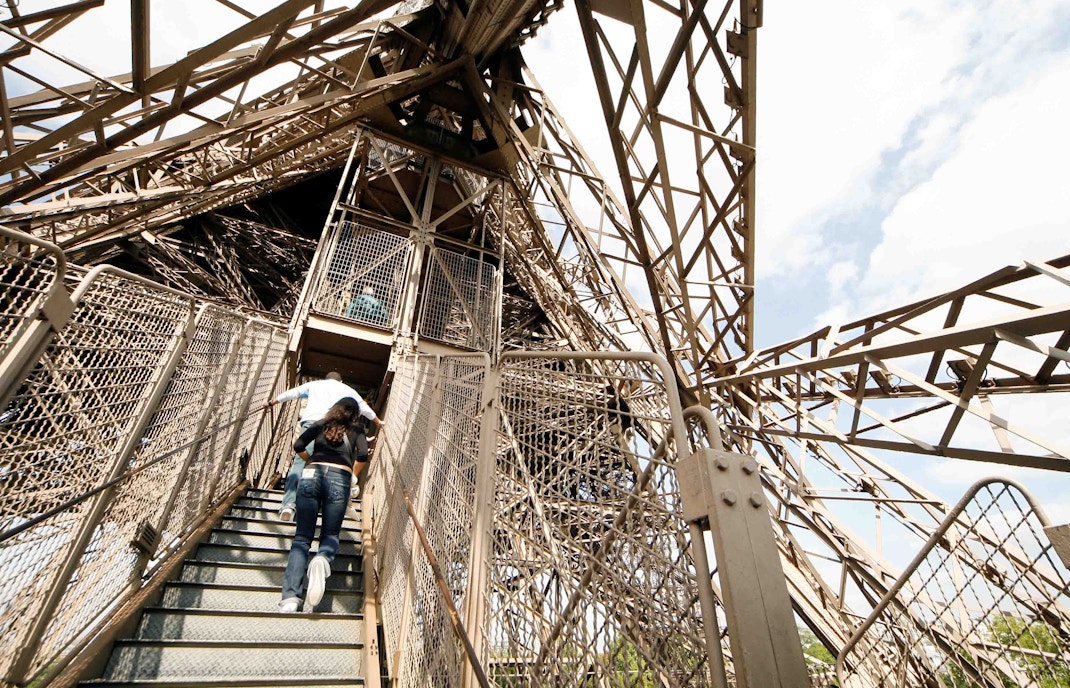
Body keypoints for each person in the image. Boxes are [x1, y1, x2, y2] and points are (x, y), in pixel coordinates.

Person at [279, 397, 372, 613]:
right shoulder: (357, 429)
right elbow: (363, 454)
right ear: (355, 415)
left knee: (302, 538)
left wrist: (310, 459)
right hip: (340, 478)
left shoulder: (321, 424)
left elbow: (298, 445)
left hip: (311, 474)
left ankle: (291, 598)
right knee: (330, 534)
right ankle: (322, 558)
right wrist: (352, 473)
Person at [265, 372, 383, 521]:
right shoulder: (347, 389)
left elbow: (293, 393)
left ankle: (288, 505)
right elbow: (363, 408)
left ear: (325, 379)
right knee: (331, 463)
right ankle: (326, 504)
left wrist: (272, 402)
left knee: (299, 464)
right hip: (333, 427)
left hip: (311, 424)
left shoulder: (314, 385)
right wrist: (378, 422)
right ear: (341, 380)